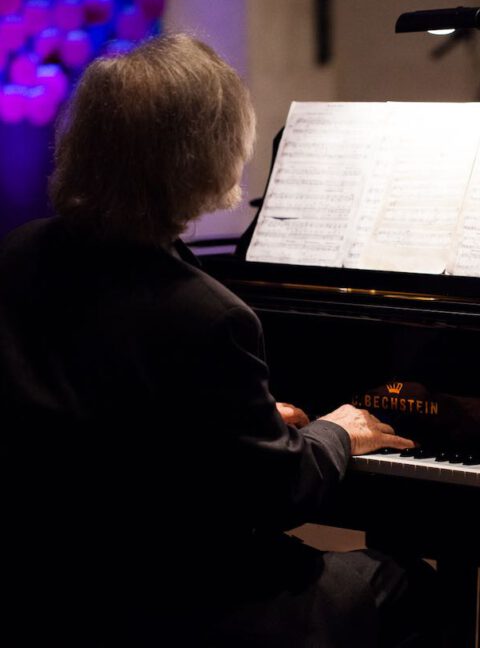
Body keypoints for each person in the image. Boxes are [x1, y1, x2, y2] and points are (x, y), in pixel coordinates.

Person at [0, 34, 442, 647]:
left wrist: (251, 424)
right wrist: (336, 431)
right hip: (178, 601)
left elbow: (108, 418)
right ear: (208, 154)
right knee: (406, 584)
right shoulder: (209, 315)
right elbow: (279, 492)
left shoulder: (20, 254)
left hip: (46, 588)